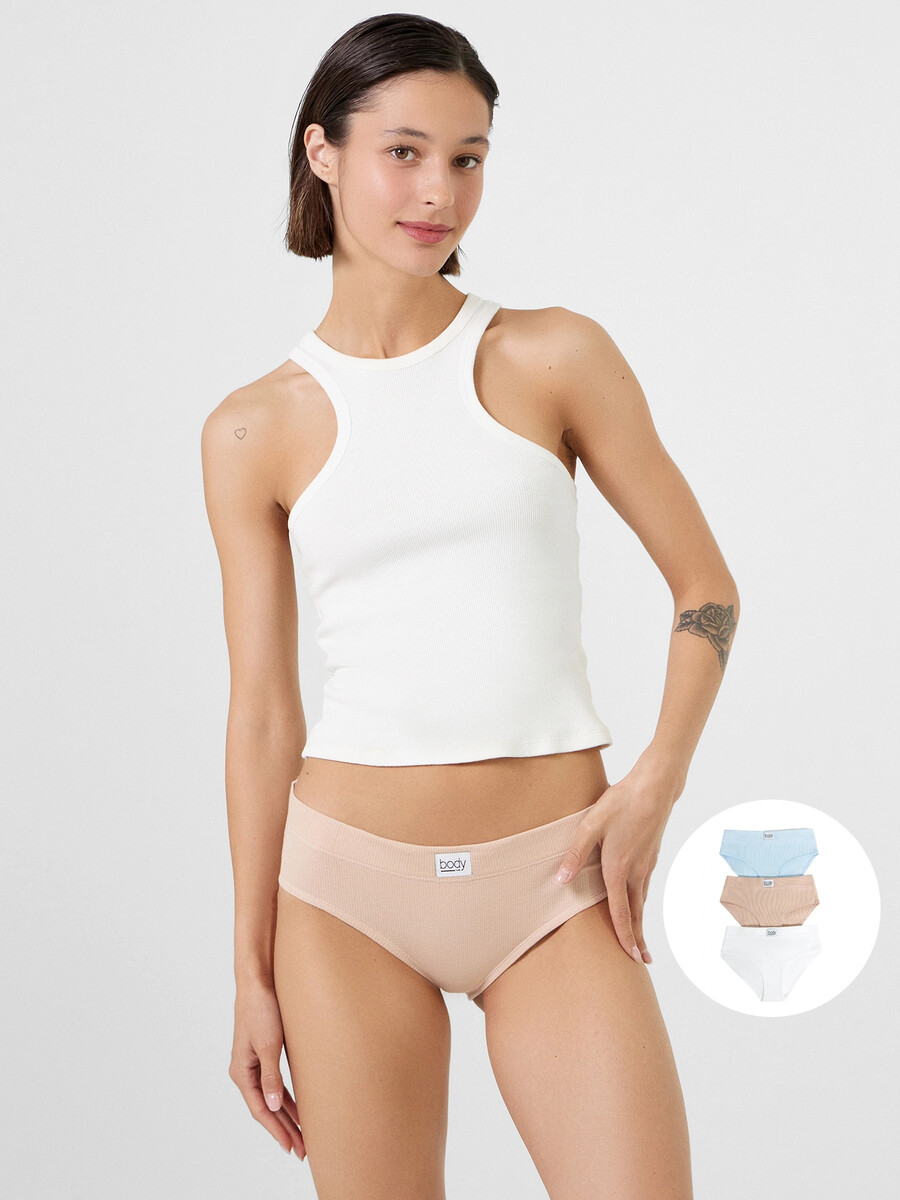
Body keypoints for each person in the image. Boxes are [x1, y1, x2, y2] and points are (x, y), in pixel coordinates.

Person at [201, 13, 737, 1199]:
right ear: (322, 152)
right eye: (403, 152)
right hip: (343, 897)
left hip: (558, 879)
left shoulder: (552, 356)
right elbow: (262, 715)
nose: (439, 191)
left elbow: (706, 588)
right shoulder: (251, 429)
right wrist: (250, 970)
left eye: (468, 157)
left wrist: (655, 782)